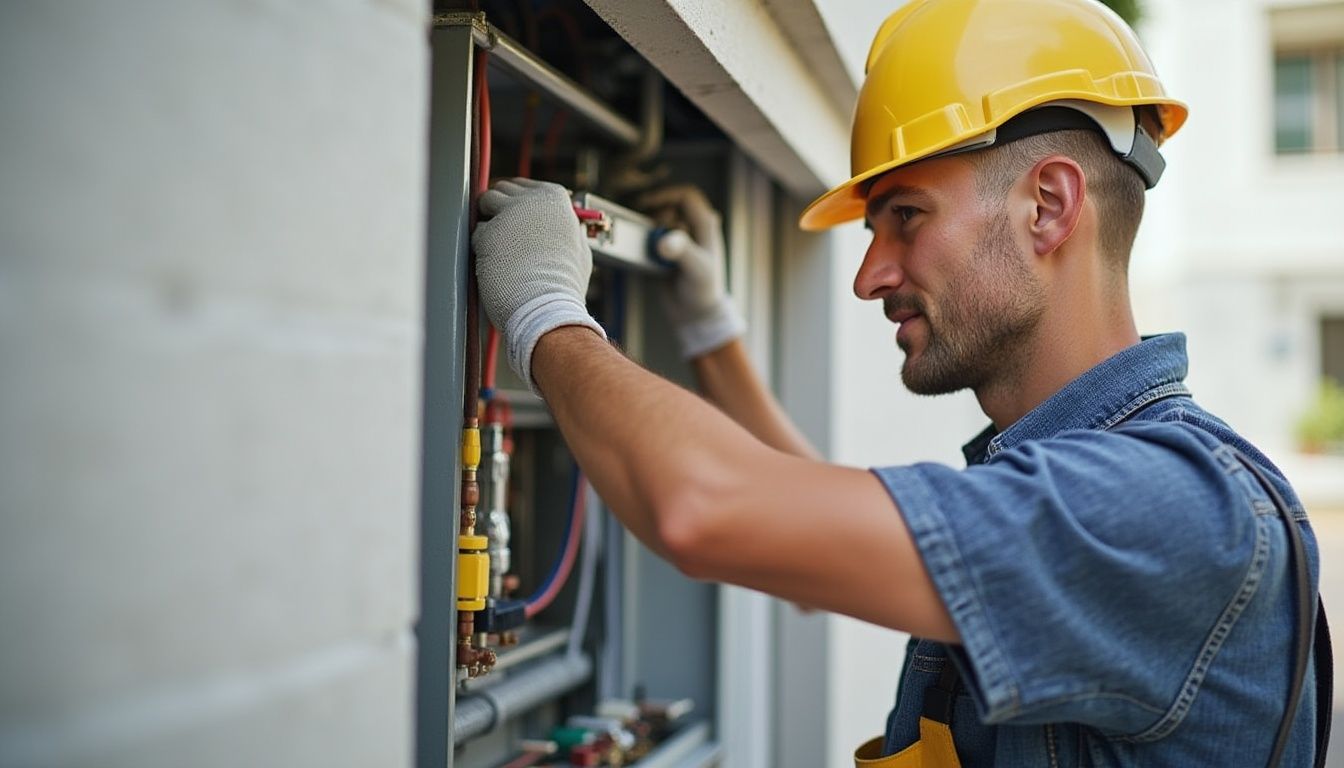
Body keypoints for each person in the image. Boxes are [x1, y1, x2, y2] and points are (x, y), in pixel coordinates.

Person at [470, 0, 1327, 764]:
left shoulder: (1169, 509)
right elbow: (797, 512)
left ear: (1050, 207)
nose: (869, 275)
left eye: (907, 217)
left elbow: (709, 509)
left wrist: (546, 311)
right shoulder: (1079, 483)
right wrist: (712, 330)